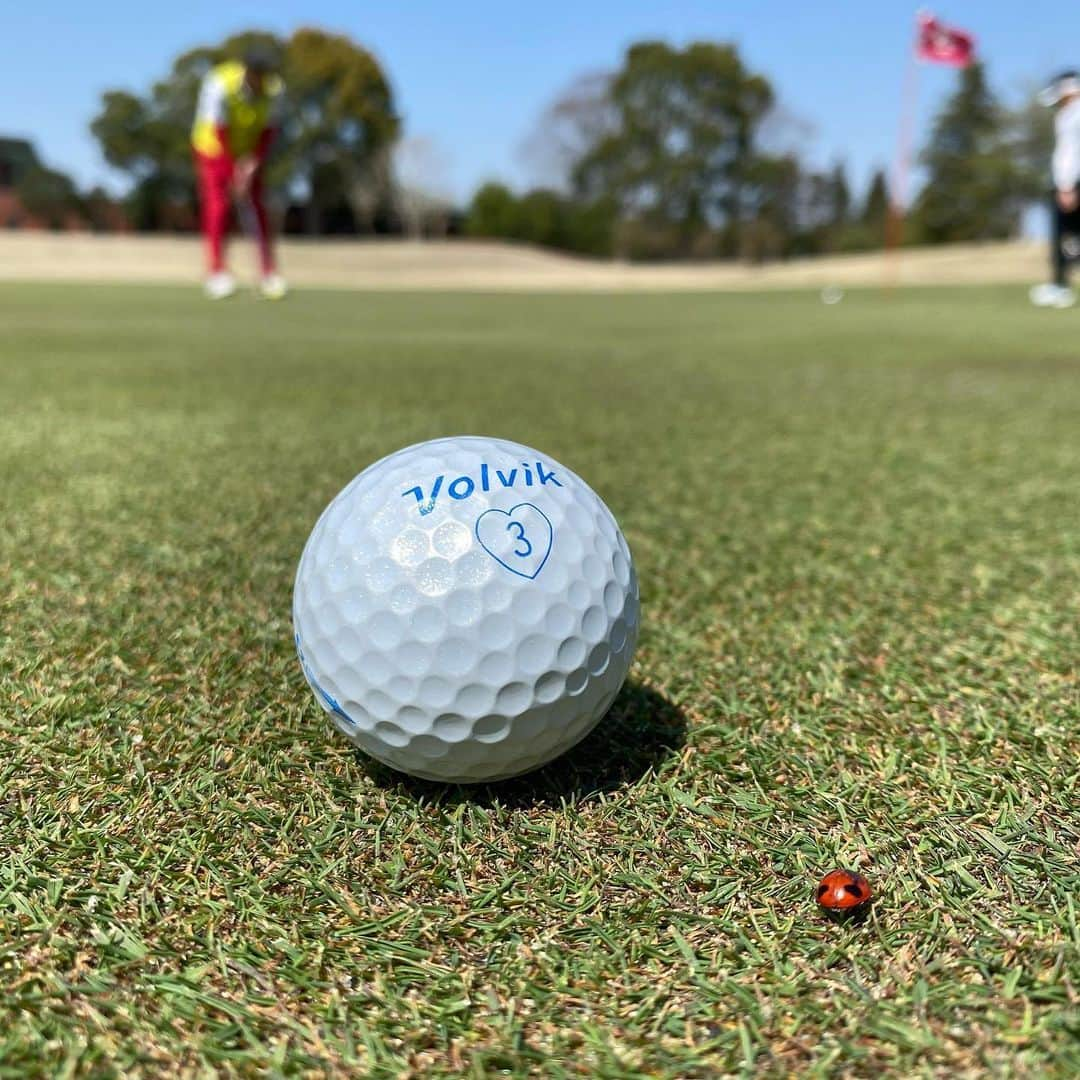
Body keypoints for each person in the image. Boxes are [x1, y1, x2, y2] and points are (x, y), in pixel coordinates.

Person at [191, 46, 287, 300]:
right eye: (255, 73)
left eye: (263, 74)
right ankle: (217, 272)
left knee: (257, 206)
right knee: (218, 206)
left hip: (249, 151)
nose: (259, 79)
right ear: (246, 71)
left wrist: (253, 163)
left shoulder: (275, 89)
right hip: (213, 148)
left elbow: (270, 131)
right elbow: (218, 129)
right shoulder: (219, 84)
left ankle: (268, 272)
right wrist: (234, 171)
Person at [1031, 71, 1080, 309]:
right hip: (1069, 183)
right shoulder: (1068, 113)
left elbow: (1070, 155)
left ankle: (1059, 287)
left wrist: (1067, 186)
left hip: (1070, 184)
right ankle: (1058, 284)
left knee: (1064, 237)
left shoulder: (1074, 114)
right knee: (1068, 239)